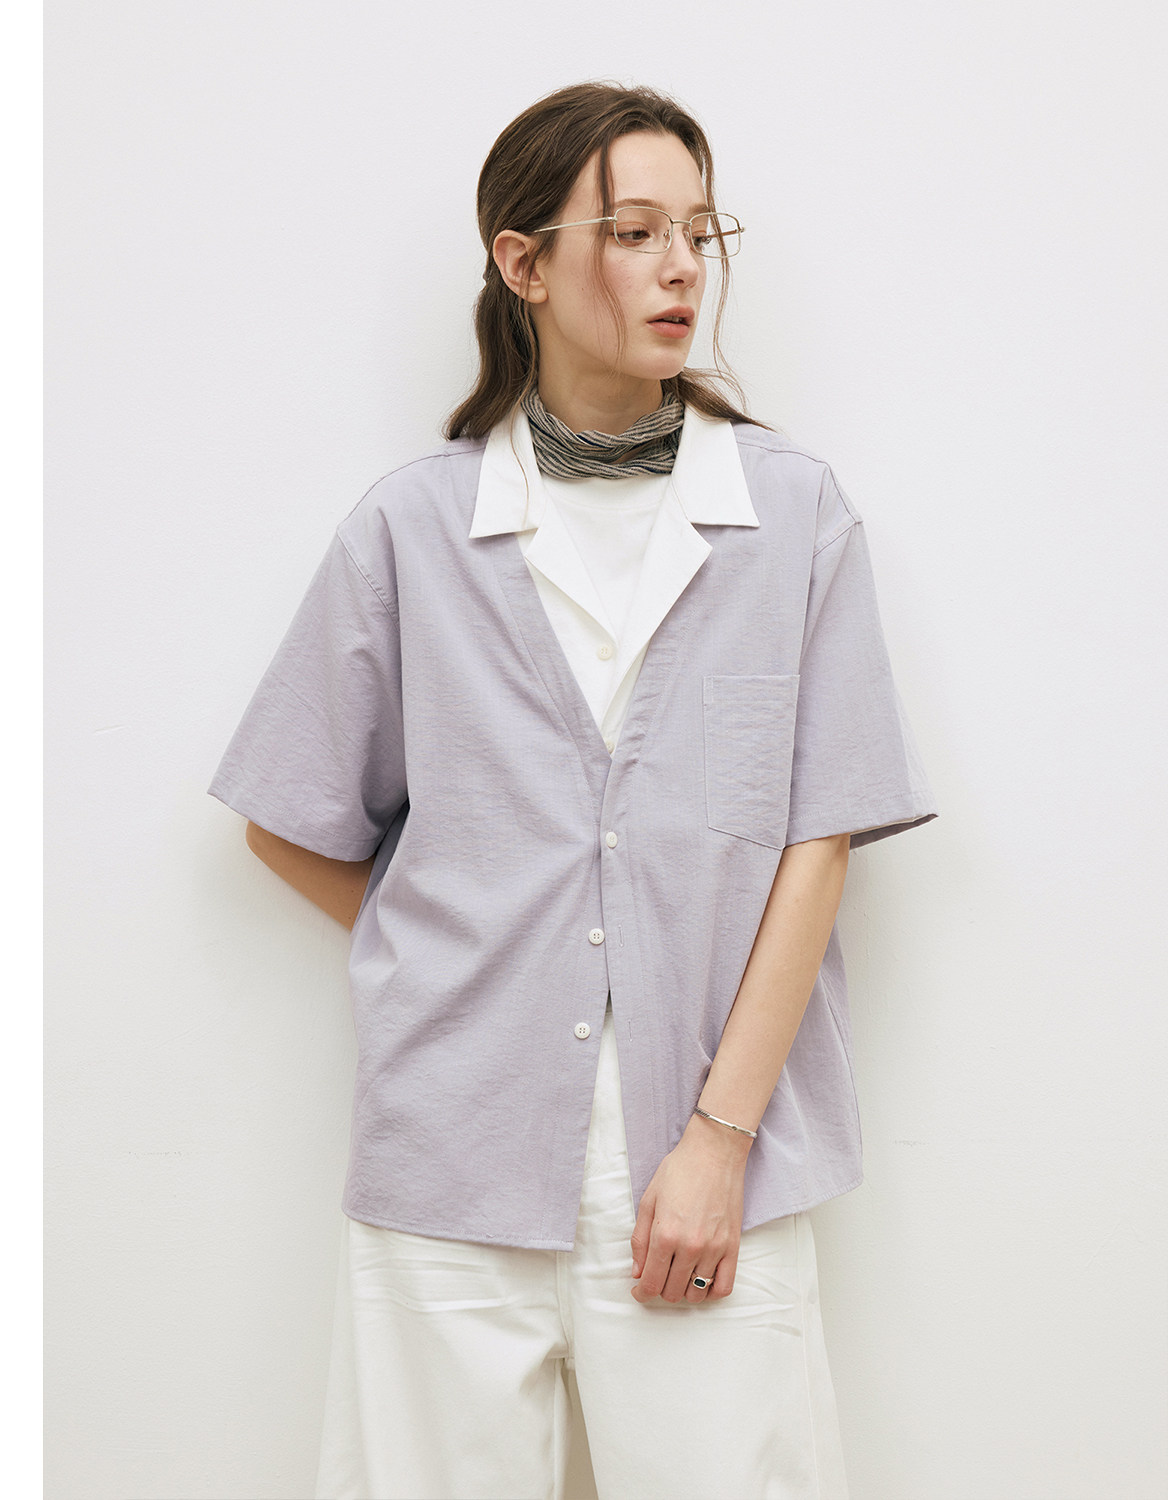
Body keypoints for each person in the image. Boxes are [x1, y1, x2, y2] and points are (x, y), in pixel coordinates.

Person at [210, 80, 936, 1500]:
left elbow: (820, 840)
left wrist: (718, 1143)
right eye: (635, 231)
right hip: (450, 1156)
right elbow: (287, 820)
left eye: (700, 232)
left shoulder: (792, 516)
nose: (682, 268)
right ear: (523, 262)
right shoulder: (412, 530)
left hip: (709, 1157)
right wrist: (460, 951)